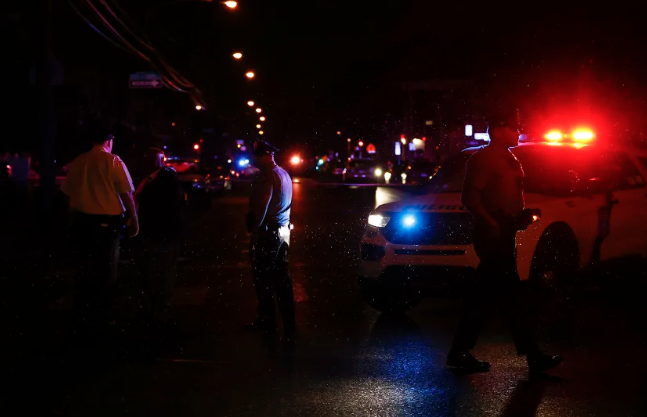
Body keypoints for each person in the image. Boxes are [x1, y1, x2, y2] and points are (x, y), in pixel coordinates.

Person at [446, 108, 563, 374]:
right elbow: (470, 198)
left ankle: (462, 351)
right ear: (499, 130)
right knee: (503, 296)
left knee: (493, 296)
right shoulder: (485, 159)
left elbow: (504, 195)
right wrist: (492, 223)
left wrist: (518, 218)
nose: (518, 131)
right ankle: (531, 355)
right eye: (513, 127)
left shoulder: (508, 158)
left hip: (503, 233)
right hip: (493, 236)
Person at [61, 125, 138, 337]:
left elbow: (68, 194)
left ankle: (82, 316)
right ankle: (102, 317)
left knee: (85, 268)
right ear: (109, 141)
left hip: (83, 222)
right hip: (107, 223)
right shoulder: (113, 161)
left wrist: (70, 219)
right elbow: (126, 193)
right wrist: (134, 218)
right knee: (106, 270)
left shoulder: (79, 161)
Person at [246, 139, 295, 339]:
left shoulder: (268, 176)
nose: (254, 160)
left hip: (269, 233)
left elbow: (262, 207)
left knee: (264, 279)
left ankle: (267, 321)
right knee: (282, 278)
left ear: (266, 155)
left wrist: (254, 229)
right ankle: (288, 323)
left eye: (256, 156)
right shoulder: (284, 174)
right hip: (283, 232)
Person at [133, 148, 187, 330]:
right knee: (153, 273)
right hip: (150, 233)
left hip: (161, 233)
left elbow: (169, 205)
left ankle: (159, 312)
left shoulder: (166, 179)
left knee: (161, 273)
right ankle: (155, 310)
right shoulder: (148, 179)